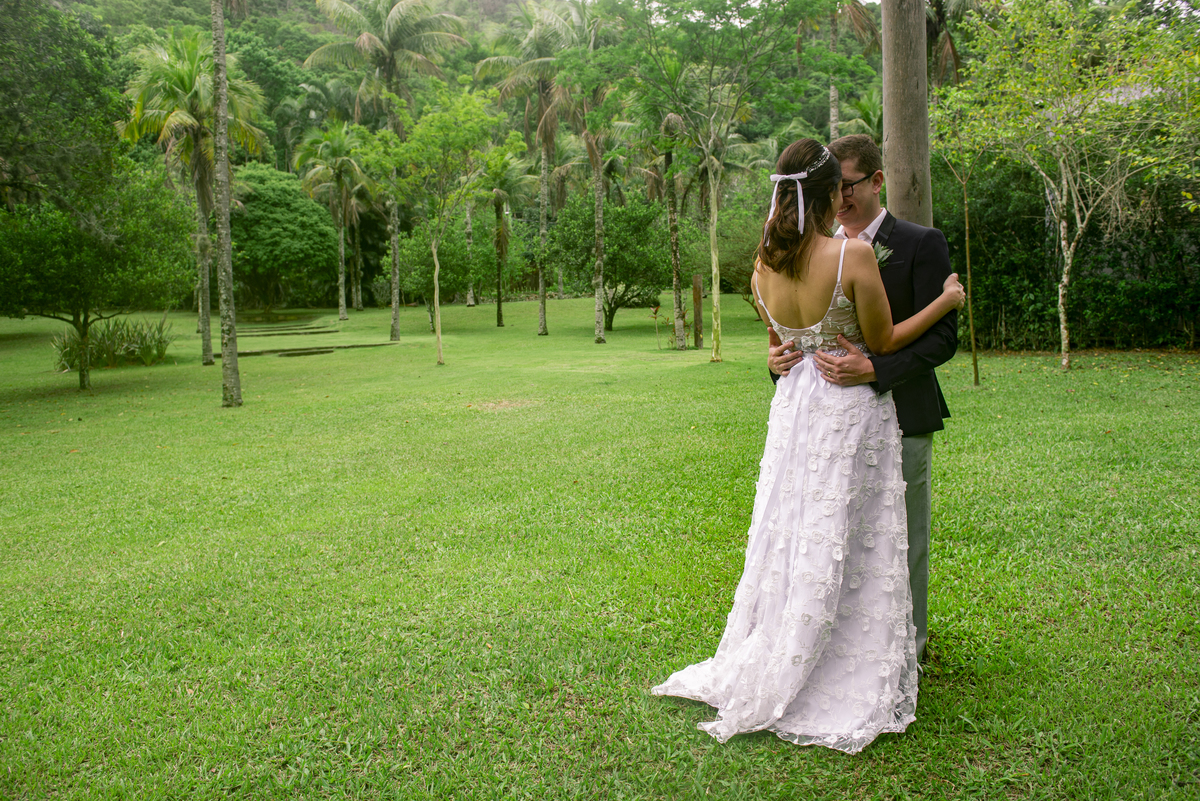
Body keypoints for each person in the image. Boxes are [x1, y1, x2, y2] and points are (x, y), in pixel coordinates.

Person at [652, 139, 964, 754]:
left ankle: (803, 642)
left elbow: (787, 342)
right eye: (838, 188)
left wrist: (783, 356)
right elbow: (885, 335)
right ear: (827, 193)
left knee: (798, 529)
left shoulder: (763, 266)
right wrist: (947, 301)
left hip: (796, 416)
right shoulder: (851, 256)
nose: (848, 197)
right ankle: (838, 661)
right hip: (848, 413)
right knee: (855, 529)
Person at [768, 134, 958, 662]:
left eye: (852, 185)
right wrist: (778, 361)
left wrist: (874, 369)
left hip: (904, 411)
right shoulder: (812, 251)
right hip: (829, 421)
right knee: (832, 535)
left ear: (876, 181)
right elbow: (796, 340)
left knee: (900, 538)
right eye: (838, 187)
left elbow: (944, 340)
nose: (844, 197)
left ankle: (906, 651)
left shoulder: (922, 242)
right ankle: (839, 650)